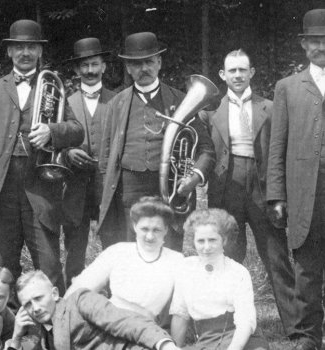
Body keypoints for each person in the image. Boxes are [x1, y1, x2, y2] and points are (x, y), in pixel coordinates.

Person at [0, 19, 83, 293]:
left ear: (39, 52)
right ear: (9, 52)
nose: (25, 53)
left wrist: (51, 131)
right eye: (19, 47)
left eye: (31, 47)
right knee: (5, 265)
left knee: (49, 265)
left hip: (40, 186)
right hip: (2, 188)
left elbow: (76, 130)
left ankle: (54, 330)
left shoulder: (54, 87)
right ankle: (10, 328)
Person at [201, 49, 295, 337]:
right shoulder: (210, 113)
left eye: (243, 70)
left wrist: (280, 192)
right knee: (228, 255)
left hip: (262, 186)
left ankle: (297, 328)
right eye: (232, 71)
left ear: (252, 72)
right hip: (226, 186)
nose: (238, 76)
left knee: (275, 257)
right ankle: (225, 325)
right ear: (222, 75)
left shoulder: (270, 106)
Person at [98, 31, 215, 251]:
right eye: (136, 64)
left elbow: (207, 149)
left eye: (149, 62)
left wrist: (194, 178)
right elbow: (105, 159)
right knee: (131, 251)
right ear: (128, 68)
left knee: (169, 249)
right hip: (128, 187)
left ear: (159, 62)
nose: (143, 69)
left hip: (170, 189)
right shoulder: (116, 104)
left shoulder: (182, 100)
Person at [266, 8, 325, 350]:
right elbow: (277, 145)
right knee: (306, 265)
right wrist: (276, 195)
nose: (321, 47)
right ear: (304, 45)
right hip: (305, 191)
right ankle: (307, 335)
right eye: (315, 41)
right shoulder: (287, 87)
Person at [65, 197, 183, 321]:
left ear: (166, 230)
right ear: (134, 226)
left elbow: (183, 308)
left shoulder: (176, 261)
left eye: (156, 230)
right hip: (110, 323)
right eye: (144, 229)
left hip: (145, 331)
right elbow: (79, 289)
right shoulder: (118, 252)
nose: (150, 236)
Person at [6, 270, 181, 350]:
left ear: (54, 293)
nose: (35, 308)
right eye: (27, 304)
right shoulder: (42, 334)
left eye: (38, 298)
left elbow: (125, 322)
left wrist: (165, 345)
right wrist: (16, 337)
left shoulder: (79, 302)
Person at [61, 37, 117, 286]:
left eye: (95, 64)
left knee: (114, 245)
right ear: (76, 70)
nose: (91, 71)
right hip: (75, 188)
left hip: (109, 188)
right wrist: (67, 154)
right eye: (84, 66)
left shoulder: (119, 101)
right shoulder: (64, 102)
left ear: (104, 66)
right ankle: (73, 296)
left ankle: (116, 294)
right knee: (74, 248)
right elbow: (52, 142)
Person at [170, 208, 269, 350]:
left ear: (224, 239)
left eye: (212, 240)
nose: (206, 247)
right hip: (206, 341)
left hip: (242, 339)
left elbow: (245, 321)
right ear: (193, 241)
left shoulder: (237, 272)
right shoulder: (186, 269)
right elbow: (180, 314)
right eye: (200, 241)